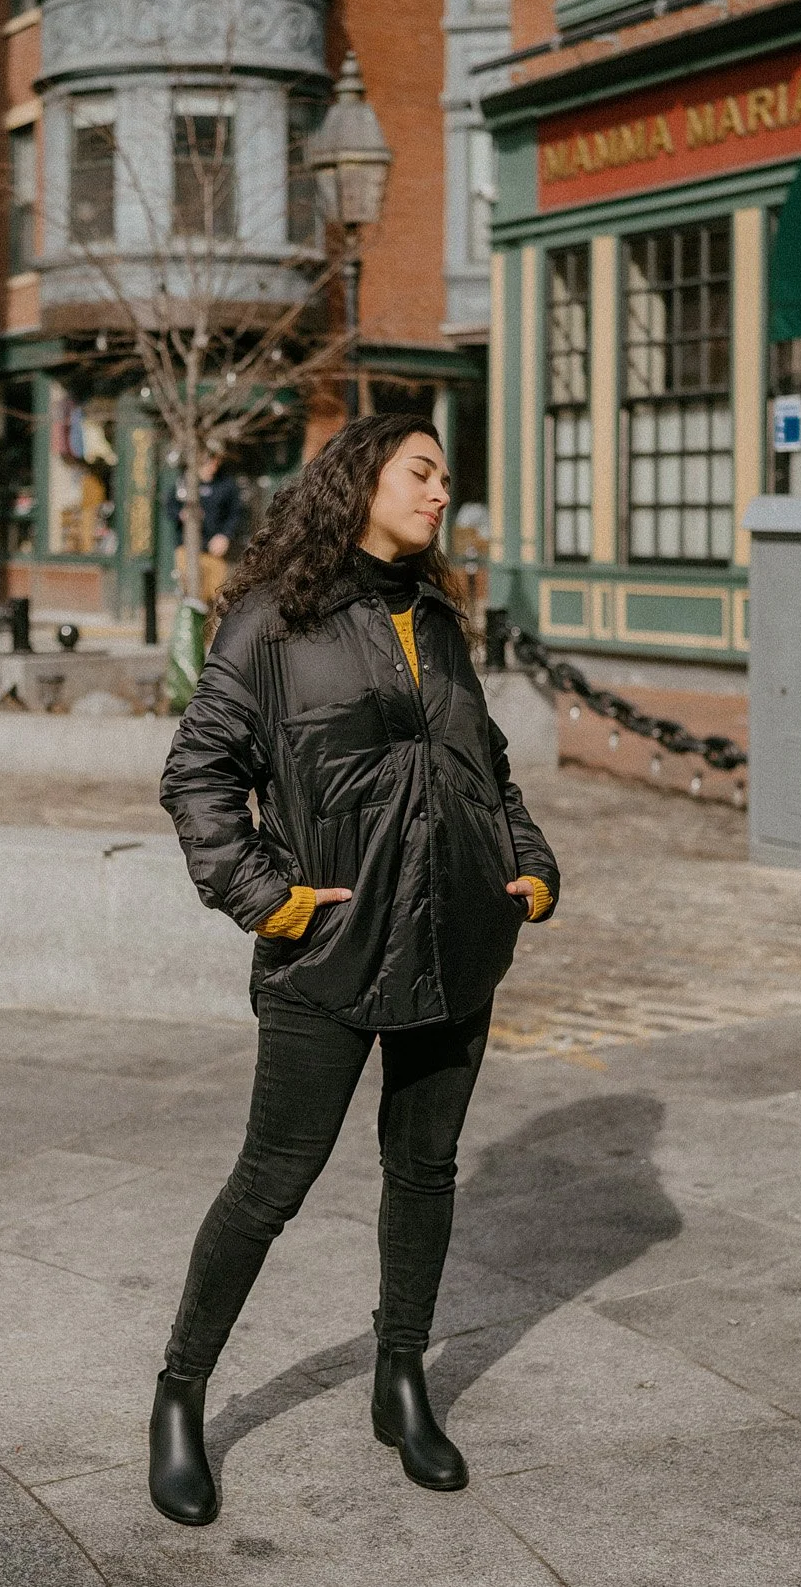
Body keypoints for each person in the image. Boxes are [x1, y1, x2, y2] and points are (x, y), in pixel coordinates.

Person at [149, 413, 560, 1525]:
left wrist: (526, 865)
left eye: (444, 477)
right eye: (421, 471)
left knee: (424, 1171)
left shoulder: (439, 616)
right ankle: (181, 1394)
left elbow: (489, 765)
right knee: (270, 1184)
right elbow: (197, 773)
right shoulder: (273, 618)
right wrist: (265, 897)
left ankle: (401, 1377)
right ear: (360, 479)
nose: (440, 493)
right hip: (325, 951)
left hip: (456, 942)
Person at [165, 459, 250, 604]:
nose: (211, 467)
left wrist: (225, 536)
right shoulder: (185, 482)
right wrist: (181, 514)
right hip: (188, 547)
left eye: (215, 463)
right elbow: (170, 506)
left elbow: (235, 514)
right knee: (190, 592)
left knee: (214, 594)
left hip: (214, 550)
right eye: (207, 462)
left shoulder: (226, 485)